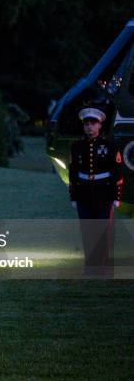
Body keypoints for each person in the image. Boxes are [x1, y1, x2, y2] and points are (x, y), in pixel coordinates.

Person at [69, 106, 123, 275]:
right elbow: (73, 173)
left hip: (103, 193)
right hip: (84, 193)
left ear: (100, 125)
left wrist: (116, 196)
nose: (90, 127)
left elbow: (117, 173)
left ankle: (102, 264)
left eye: (93, 123)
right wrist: (73, 196)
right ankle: (91, 264)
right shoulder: (77, 147)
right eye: (87, 124)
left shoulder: (109, 146)